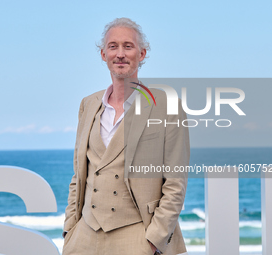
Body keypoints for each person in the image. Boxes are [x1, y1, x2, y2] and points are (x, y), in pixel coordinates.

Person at [62, 17, 190, 255]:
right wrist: (70, 229)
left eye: (128, 46)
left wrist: (154, 240)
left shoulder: (166, 105)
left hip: (137, 235)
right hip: (84, 236)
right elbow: (78, 173)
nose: (120, 54)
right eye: (113, 46)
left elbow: (175, 181)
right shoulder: (88, 104)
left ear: (142, 54)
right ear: (103, 54)